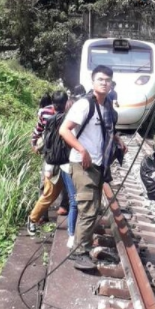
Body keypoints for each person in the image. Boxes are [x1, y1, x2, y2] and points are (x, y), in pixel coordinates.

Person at [60, 65, 127, 267]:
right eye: (100, 79)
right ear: (93, 81)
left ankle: (85, 246)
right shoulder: (84, 104)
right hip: (82, 164)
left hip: (98, 164)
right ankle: (79, 252)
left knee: (93, 208)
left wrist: (116, 139)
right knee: (88, 209)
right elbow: (64, 130)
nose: (104, 83)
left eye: (108, 80)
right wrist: (82, 150)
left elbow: (105, 129)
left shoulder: (107, 106)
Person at [27, 90, 69, 236]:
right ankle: (36, 217)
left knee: (49, 188)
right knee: (50, 190)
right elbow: (41, 131)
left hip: (54, 157)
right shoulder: (66, 114)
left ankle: (41, 216)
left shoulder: (46, 112)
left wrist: (34, 142)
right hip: (57, 157)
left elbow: (38, 129)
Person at [60, 85, 85, 248]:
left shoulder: (79, 129)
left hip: (71, 167)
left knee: (75, 200)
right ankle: (71, 234)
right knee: (75, 201)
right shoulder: (66, 130)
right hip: (68, 167)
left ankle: (74, 233)